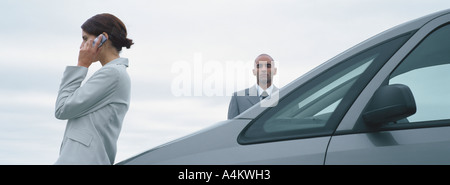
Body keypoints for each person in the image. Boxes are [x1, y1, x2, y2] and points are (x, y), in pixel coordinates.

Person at [54, 13, 134, 165]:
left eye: (85, 38)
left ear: (102, 38)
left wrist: (82, 65)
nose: (81, 46)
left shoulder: (112, 74)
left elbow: (62, 109)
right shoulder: (112, 73)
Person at [227, 54, 278, 119]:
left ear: (275, 71)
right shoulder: (238, 98)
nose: (263, 69)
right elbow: (232, 127)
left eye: (268, 66)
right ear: (254, 71)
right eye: (259, 66)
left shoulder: (285, 96)